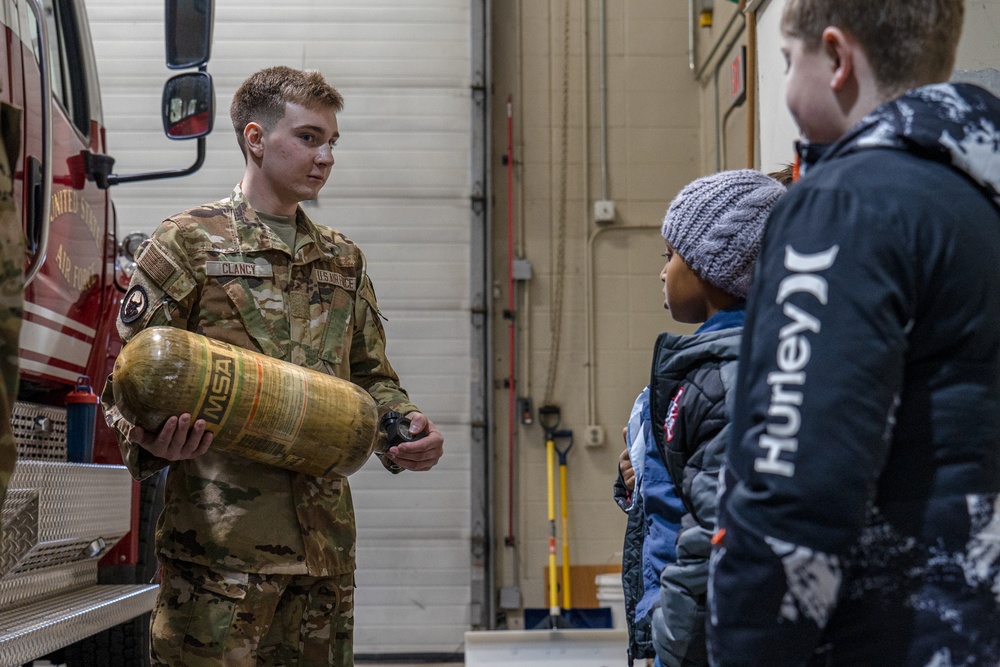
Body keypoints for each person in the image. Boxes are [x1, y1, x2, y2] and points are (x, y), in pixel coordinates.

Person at [102, 66, 445, 666]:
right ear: (256, 139)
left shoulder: (342, 258)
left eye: (332, 141)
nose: (326, 156)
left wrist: (404, 427)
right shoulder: (189, 244)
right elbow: (125, 382)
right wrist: (154, 442)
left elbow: (371, 376)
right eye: (310, 138)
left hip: (323, 560)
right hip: (219, 560)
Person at [708, 1, 1000, 666]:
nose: (783, 86)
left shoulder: (849, 203)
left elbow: (797, 476)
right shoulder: (975, 201)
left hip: (893, 634)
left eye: (786, 62)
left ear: (837, 59)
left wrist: (749, 644)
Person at [615, 170, 785, 667]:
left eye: (670, 256)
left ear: (717, 268)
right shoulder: (699, 368)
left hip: (698, 635)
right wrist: (637, 478)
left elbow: (719, 531)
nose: (662, 272)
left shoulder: (728, 377)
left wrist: (672, 638)